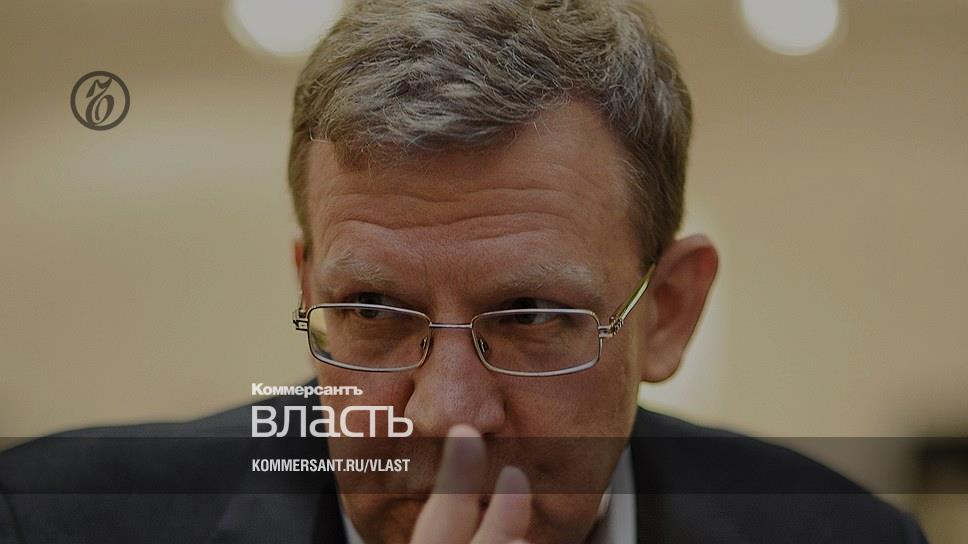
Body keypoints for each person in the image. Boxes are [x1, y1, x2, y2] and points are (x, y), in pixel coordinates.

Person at [0, 1, 928, 543]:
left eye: (530, 315)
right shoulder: (49, 520)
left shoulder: (844, 535)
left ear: (671, 312)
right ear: (308, 290)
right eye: (371, 308)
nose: (446, 414)